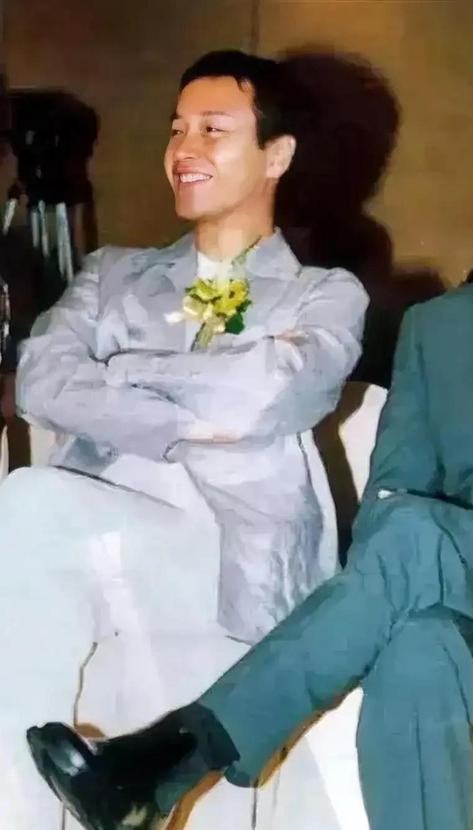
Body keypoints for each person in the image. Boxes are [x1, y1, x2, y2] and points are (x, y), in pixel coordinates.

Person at [28, 60, 473, 830]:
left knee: (418, 537)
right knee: (418, 649)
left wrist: (464, 529)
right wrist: (441, 535)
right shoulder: (440, 325)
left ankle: (170, 761)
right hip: (461, 602)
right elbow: (392, 497)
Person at [0, 50, 366, 830]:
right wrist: (191, 418)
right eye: (176, 128)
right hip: (96, 539)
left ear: (277, 155)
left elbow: (269, 393)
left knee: (29, 502)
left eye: (212, 129)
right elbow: (40, 381)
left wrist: (119, 374)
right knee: (33, 519)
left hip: (237, 556)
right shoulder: (111, 275)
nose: (182, 149)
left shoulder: (326, 295)